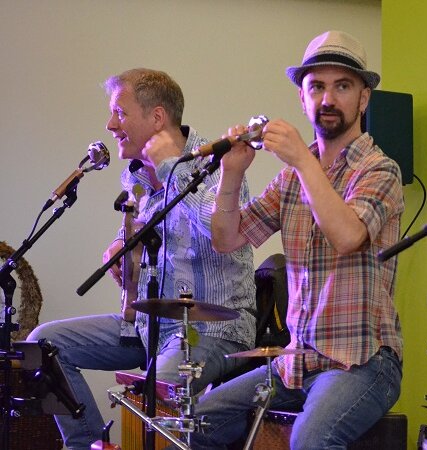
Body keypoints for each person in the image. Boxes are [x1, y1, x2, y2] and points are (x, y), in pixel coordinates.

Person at [185, 30, 405, 449]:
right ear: (302, 99)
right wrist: (232, 172)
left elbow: (347, 236)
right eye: (316, 87)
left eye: (342, 86)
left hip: (363, 363)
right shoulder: (289, 179)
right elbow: (227, 239)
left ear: (364, 98)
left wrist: (304, 160)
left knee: (308, 441)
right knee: (198, 424)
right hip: (297, 361)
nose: (328, 98)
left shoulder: (380, 170)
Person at [28, 68, 257, 449]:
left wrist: (170, 168)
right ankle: (85, 444)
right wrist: (120, 248)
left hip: (213, 329)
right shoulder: (134, 177)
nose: (110, 124)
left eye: (120, 112)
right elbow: (147, 242)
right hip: (148, 325)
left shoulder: (217, 162)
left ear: (156, 117)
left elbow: (221, 235)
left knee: (152, 393)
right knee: (45, 344)